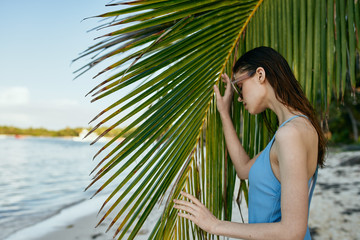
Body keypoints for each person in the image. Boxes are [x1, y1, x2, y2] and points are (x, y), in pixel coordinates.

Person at [173, 46, 326, 240]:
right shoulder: (295, 128)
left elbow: (292, 231)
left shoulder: (290, 134)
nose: (239, 97)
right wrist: (224, 113)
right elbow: (244, 169)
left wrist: (215, 224)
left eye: (239, 85)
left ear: (260, 74)